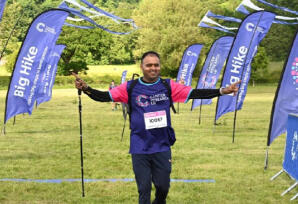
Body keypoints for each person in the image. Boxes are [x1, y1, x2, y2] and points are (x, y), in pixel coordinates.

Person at [73, 51, 240, 204]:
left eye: (156, 65)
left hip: (161, 145)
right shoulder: (130, 87)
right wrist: (87, 89)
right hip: (139, 146)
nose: (153, 68)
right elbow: (104, 97)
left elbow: (196, 93)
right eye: (149, 65)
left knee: (163, 188)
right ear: (142, 67)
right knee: (143, 189)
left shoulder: (169, 86)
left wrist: (223, 91)